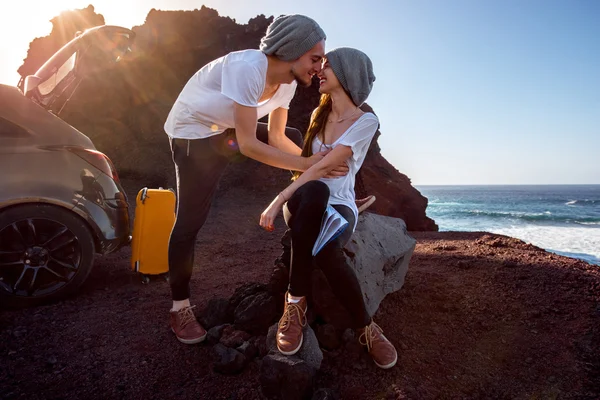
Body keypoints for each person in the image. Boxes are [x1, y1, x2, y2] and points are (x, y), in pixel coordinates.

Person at [164, 15, 348, 345]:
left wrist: (317, 168)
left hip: (224, 128)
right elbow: (248, 145)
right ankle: (179, 308)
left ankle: (331, 195)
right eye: (315, 59)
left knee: (293, 135)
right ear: (292, 50)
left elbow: (277, 136)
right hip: (192, 134)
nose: (319, 68)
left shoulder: (289, 83)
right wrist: (308, 162)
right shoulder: (248, 68)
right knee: (191, 221)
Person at [259, 48, 398, 369]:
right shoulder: (317, 117)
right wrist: (288, 197)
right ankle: (313, 310)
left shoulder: (365, 121)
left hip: (338, 209)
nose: (320, 70)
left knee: (325, 249)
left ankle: (355, 324)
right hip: (304, 201)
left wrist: (277, 198)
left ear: (348, 75)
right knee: (317, 189)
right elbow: (312, 169)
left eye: (329, 66)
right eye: (321, 65)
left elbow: (327, 166)